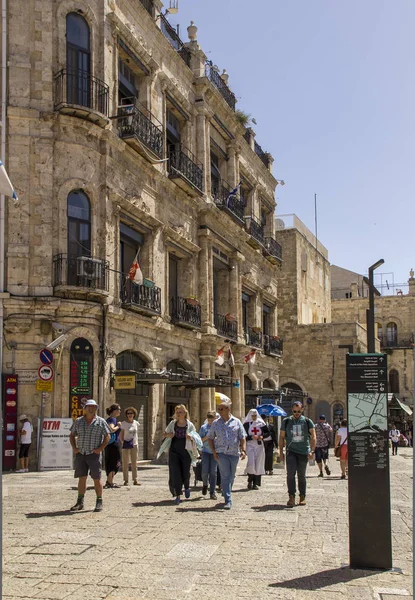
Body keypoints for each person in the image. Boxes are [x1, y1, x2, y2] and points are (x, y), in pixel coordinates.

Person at [69, 399, 111, 512]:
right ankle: (80, 502)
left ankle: (99, 501)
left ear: (96, 409)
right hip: (81, 454)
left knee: (97, 478)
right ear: (85, 408)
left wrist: (100, 449)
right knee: (82, 478)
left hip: (94, 455)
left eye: (93, 407)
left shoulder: (101, 421)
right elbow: (72, 435)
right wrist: (74, 448)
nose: (91, 409)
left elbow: (107, 436)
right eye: (89, 407)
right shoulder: (78, 421)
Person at [157, 404, 202, 505]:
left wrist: (191, 437)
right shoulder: (173, 424)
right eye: (177, 412)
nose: (179, 414)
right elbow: (164, 434)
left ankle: (186, 486)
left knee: (185, 472)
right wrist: (169, 435)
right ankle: (177, 494)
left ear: (185, 413)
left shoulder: (189, 425)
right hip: (174, 451)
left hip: (186, 451)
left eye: (180, 412)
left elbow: (196, 437)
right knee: (175, 472)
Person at [208, 401, 246, 510]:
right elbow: (210, 437)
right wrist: (214, 452)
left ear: (228, 409)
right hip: (221, 453)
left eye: (221, 409)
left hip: (234, 453)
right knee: (225, 476)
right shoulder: (216, 423)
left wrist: (243, 450)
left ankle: (226, 491)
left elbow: (242, 437)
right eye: (218, 409)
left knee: (232, 476)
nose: (219, 411)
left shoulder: (237, 422)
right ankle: (228, 499)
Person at [278, 401, 316, 507]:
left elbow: (313, 436)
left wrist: (312, 451)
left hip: (303, 452)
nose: (297, 413)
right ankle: (291, 496)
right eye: (295, 411)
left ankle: (302, 496)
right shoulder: (286, 421)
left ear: (302, 410)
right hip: (291, 451)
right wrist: (281, 452)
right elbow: (281, 437)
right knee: (290, 474)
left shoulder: (307, 421)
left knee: (301, 475)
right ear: (292, 410)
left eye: (299, 411)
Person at [243, 408, 267, 490]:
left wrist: (262, 436)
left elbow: (267, 432)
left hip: (259, 445)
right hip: (250, 445)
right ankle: (250, 480)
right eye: (252, 416)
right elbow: (243, 435)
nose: (254, 417)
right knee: (251, 463)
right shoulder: (246, 424)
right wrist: (251, 437)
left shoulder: (261, 423)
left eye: (255, 416)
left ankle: (255, 483)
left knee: (258, 464)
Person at [199, 411, 218, 500]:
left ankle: (212, 491)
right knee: (205, 471)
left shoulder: (218, 428)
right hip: (206, 451)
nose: (210, 422)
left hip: (215, 452)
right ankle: (205, 484)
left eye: (212, 420)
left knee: (213, 472)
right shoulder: (203, 428)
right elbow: (199, 440)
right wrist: (207, 437)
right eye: (209, 420)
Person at [120, 407, 140, 486]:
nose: (129, 415)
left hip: (134, 445)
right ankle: (126, 480)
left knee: (134, 463)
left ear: (134, 414)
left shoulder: (136, 423)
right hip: (126, 445)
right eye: (128, 413)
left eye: (131, 413)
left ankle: (135, 479)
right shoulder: (124, 423)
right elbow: (121, 434)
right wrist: (123, 442)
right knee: (125, 463)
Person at [104, 404, 122, 488]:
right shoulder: (112, 419)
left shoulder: (108, 419)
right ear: (114, 411)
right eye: (119, 409)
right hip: (113, 444)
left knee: (111, 461)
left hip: (109, 444)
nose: (120, 411)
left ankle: (109, 481)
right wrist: (118, 426)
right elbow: (111, 429)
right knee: (114, 462)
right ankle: (110, 482)